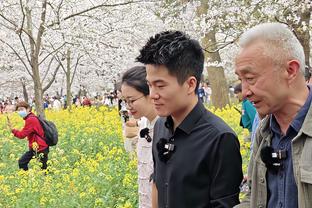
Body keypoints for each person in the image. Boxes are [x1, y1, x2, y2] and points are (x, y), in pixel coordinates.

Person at [137, 31, 243, 208]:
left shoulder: (220, 138)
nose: (153, 95)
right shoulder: (161, 124)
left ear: (190, 84)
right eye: (149, 85)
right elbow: (157, 182)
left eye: (160, 85)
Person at [234, 22, 312, 208]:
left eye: (250, 78)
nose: (244, 92)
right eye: (241, 80)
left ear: (290, 70)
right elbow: (253, 196)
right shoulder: (264, 132)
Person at [121, 66, 158, 208]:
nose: (128, 107)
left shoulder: (167, 128)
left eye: (131, 100)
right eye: (125, 101)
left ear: (150, 94)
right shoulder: (144, 124)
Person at [7, 101, 49, 171]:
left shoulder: (31, 119)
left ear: (28, 109)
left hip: (39, 147)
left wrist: (12, 130)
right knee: (43, 168)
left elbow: (22, 135)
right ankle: (27, 178)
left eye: (22, 109)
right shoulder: (31, 117)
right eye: (19, 110)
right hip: (39, 146)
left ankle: (25, 176)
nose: (20, 112)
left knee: (22, 162)